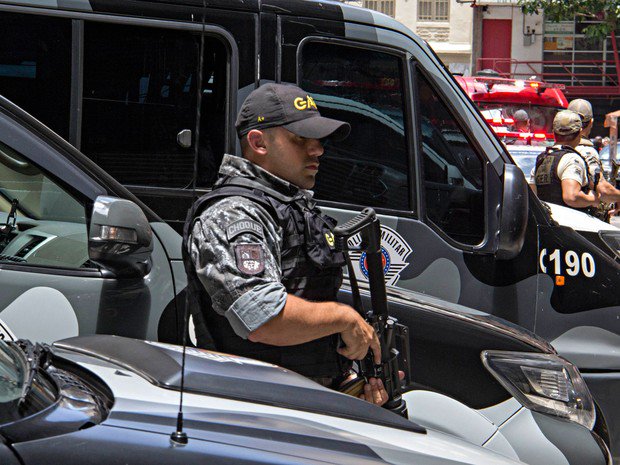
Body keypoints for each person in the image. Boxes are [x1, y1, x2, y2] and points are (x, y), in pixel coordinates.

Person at [183, 83, 390, 405]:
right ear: (258, 143)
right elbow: (262, 317)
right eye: (301, 139)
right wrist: (343, 318)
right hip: (253, 406)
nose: (317, 150)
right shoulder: (235, 211)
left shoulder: (290, 205)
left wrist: (346, 382)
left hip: (296, 400)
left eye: (318, 140)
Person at [531, 110, 600, 212]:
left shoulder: (542, 160)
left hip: (546, 220)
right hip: (570, 221)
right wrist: (593, 199)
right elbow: (571, 197)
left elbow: (534, 197)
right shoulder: (571, 159)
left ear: (554, 133)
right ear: (580, 133)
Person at [568, 98, 620, 217]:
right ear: (591, 122)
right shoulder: (587, 151)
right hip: (580, 218)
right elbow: (603, 190)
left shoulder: (553, 150)